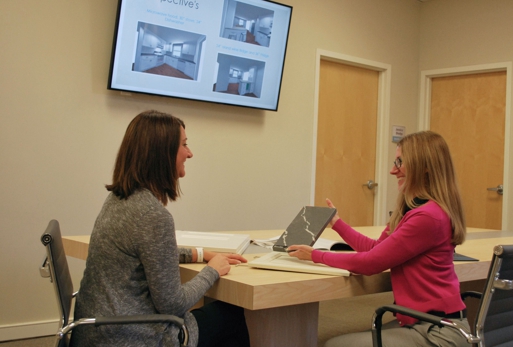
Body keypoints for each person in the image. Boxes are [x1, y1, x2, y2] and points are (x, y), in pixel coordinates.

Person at [70, 110, 250, 347]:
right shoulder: (152, 215)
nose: (190, 153)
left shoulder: (118, 199)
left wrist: (198, 254)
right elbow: (173, 305)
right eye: (184, 145)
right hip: (131, 337)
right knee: (231, 315)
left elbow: (149, 255)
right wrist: (212, 270)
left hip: (97, 331)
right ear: (161, 154)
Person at [288, 131, 470, 347]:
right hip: (424, 322)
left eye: (401, 162)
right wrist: (337, 224)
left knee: (334, 345)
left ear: (425, 166)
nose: (393, 170)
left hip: (437, 332)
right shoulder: (414, 210)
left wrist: (316, 255)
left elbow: (370, 263)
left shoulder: (428, 216)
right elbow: (375, 249)